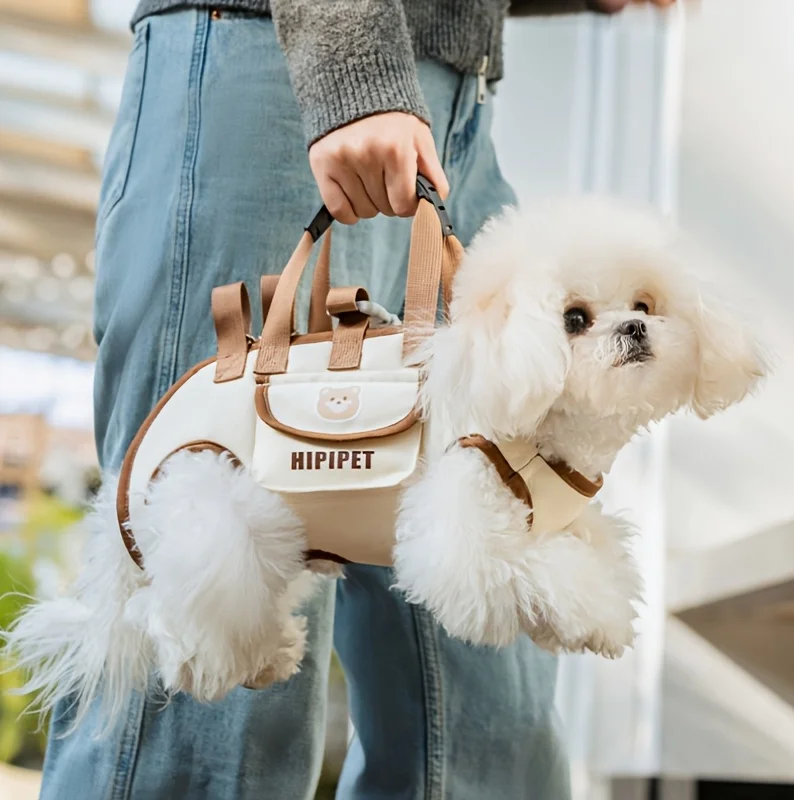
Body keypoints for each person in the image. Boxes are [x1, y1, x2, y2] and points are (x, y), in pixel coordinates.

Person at [41, 1, 673, 797]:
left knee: (484, 729)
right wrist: (352, 63)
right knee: (212, 695)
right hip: (283, 54)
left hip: (454, 97)